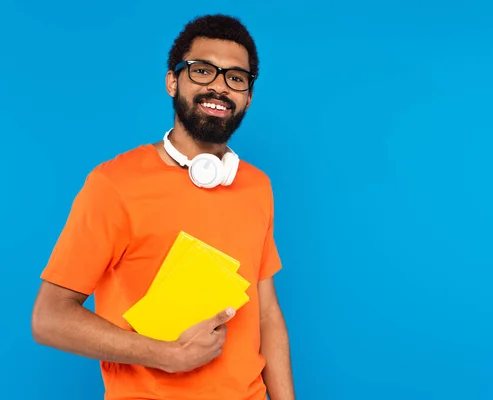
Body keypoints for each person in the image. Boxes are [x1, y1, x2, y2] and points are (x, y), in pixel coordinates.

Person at [31, 14, 295, 400]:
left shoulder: (257, 186)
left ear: (248, 96)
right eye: (203, 71)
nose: (220, 87)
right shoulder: (114, 184)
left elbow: (267, 313)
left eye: (235, 78)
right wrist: (166, 355)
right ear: (173, 81)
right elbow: (48, 318)